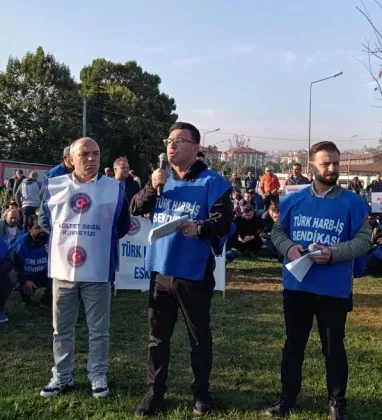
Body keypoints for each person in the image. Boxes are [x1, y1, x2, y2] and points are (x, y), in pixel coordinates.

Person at [130, 122, 232, 416]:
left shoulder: (213, 182)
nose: (171, 146)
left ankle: (201, 393)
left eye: (178, 140)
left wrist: (199, 228)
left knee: (198, 337)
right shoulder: (160, 179)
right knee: (157, 338)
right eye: (168, 140)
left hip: (194, 272)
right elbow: (135, 208)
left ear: (196, 147)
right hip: (160, 271)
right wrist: (152, 185)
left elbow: (222, 222)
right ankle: (155, 392)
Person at [266, 140, 371, 420]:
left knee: (333, 347)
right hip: (298, 285)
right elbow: (277, 232)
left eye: (336, 163)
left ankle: (337, 403)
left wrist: (333, 253)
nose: (332, 168)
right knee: (293, 345)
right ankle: (287, 399)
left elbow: (364, 240)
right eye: (326, 163)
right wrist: (288, 248)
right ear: (312, 165)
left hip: (333, 288)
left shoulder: (353, 203)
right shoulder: (293, 201)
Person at [38, 137, 131, 400]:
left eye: (96, 153)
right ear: (71, 159)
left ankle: (97, 374)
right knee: (62, 328)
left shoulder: (114, 189)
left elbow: (122, 225)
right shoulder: (55, 187)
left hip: (98, 269)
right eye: (84, 154)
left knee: (99, 329)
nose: (91, 159)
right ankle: (62, 375)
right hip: (63, 269)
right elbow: (45, 220)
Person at [12, 214, 51, 306]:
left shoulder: (51, 239)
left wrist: (54, 254)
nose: (41, 230)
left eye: (43, 227)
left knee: (55, 277)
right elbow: (15, 267)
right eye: (37, 228)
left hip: (43, 273)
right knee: (24, 290)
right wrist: (25, 281)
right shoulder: (20, 244)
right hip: (27, 275)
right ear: (29, 229)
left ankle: (46, 300)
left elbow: (60, 262)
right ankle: (25, 296)